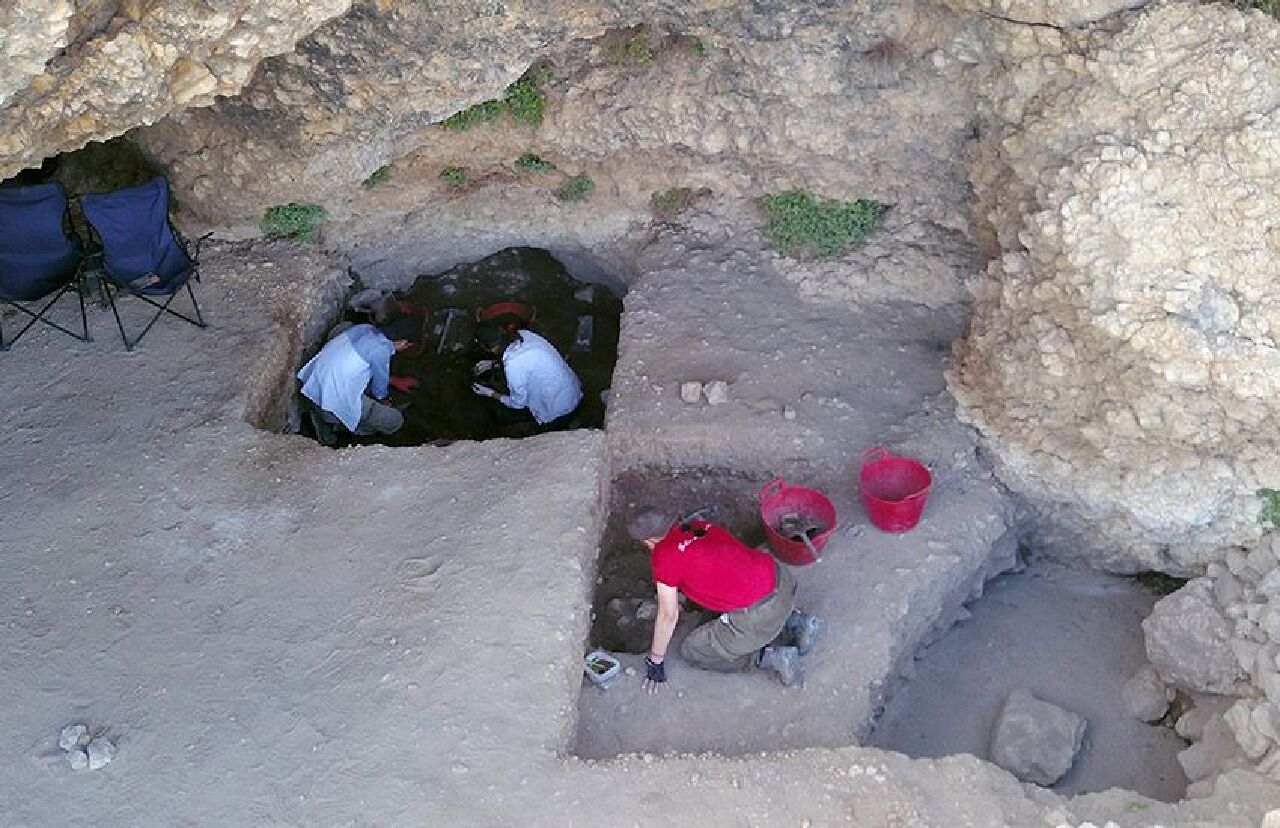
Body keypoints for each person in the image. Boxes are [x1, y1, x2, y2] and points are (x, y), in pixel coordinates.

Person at [633, 512, 824, 692]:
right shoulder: (698, 525)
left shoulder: (664, 556)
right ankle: (800, 623)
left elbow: (668, 615)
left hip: (758, 614)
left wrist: (655, 661)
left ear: (649, 541)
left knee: (693, 650)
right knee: (744, 588)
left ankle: (770, 657)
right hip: (782, 581)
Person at [296, 316, 420, 436]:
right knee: (394, 420)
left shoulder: (364, 328)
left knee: (345, 328)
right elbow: (379, 394)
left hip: (311, 381)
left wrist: (393, 380)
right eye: (407, 346)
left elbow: (365, 361)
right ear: (403, 342)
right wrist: (385, 402)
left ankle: (327, 415)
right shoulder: (382, 351)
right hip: (327, 403)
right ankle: (336, 425)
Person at [470, 319, 582, 432]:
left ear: (490, 348)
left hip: (559, 411)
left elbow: (518, 404)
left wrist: (490, 393)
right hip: (572, 392)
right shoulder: (524, 334)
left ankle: (554, 429)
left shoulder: (512, 364)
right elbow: (525, 359)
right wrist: (492, 363)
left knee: (500, 414)